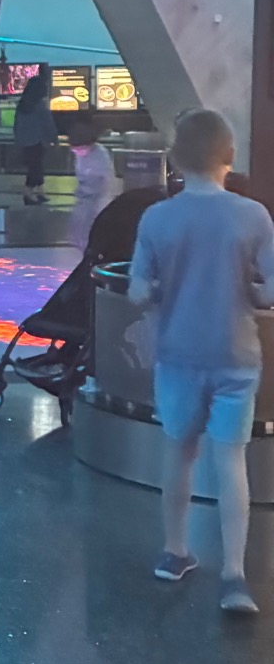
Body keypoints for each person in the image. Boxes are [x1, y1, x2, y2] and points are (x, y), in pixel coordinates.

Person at [127, 109, 274, 617]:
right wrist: (249, 291)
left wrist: (161, 289)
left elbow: (137, 290)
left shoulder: (156, 218)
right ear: (229, 157)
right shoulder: (254, 216)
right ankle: (234, 575)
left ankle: (175, 552)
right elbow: (271, 291)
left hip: (178, 355)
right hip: (236, 357)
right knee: (230, 461)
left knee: (179, 453)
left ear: (174, 159)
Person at [66, 113, 120, 252]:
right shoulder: (80, 155)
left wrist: (105, 202)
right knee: (79, 227)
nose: (77, 152)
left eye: (80, 149)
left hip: (100, 197)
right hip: (84, 197)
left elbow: (108, 180)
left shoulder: (100, 155)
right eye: (74, 150)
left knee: (96, 227)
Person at [12, 68, 57, 205]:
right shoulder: (40, 105)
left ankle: (40, 191)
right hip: (38, 142)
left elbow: (16, 125)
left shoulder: (22, 105)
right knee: (36, 168)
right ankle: (28, 192)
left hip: (25, 142)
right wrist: (54, 139)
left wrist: (19, 139)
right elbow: (48, 124)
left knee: (35, 166)